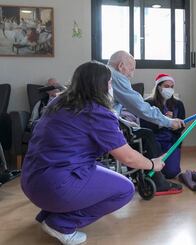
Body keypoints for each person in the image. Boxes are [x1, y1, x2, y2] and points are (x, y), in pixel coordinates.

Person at [20, 61, 165, 245]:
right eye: (110, 83)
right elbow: (127, 157)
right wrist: (153, 164)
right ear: (101, 85)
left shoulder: (59, 101)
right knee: (125, 190)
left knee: (99, 169)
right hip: (53, 185)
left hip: (31, 180)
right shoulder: (96, 112)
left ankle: (51, 213)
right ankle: (61, 223)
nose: (112, 87)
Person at [107, 50, 185, 195]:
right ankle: (157, 180)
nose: (132, 74)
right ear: (121, 66)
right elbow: (140, 108)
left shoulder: (105, 74)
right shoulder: (116, 77)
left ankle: (142, 173)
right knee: (146, 134)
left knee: (139, 131)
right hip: (107, 125)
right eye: (131, 69)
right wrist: (168, 121)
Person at [140, 74, 186, 179]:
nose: (169, 89)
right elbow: (144, 126)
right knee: (154, 172)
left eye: (171, 86)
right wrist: (165, 122)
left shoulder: (178, 104)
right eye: (166, 86)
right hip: (154, 141)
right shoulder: (148, 103)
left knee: (171, 173)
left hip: (171, 141)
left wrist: (175, 127)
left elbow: (182, 126)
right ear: (159, 87)